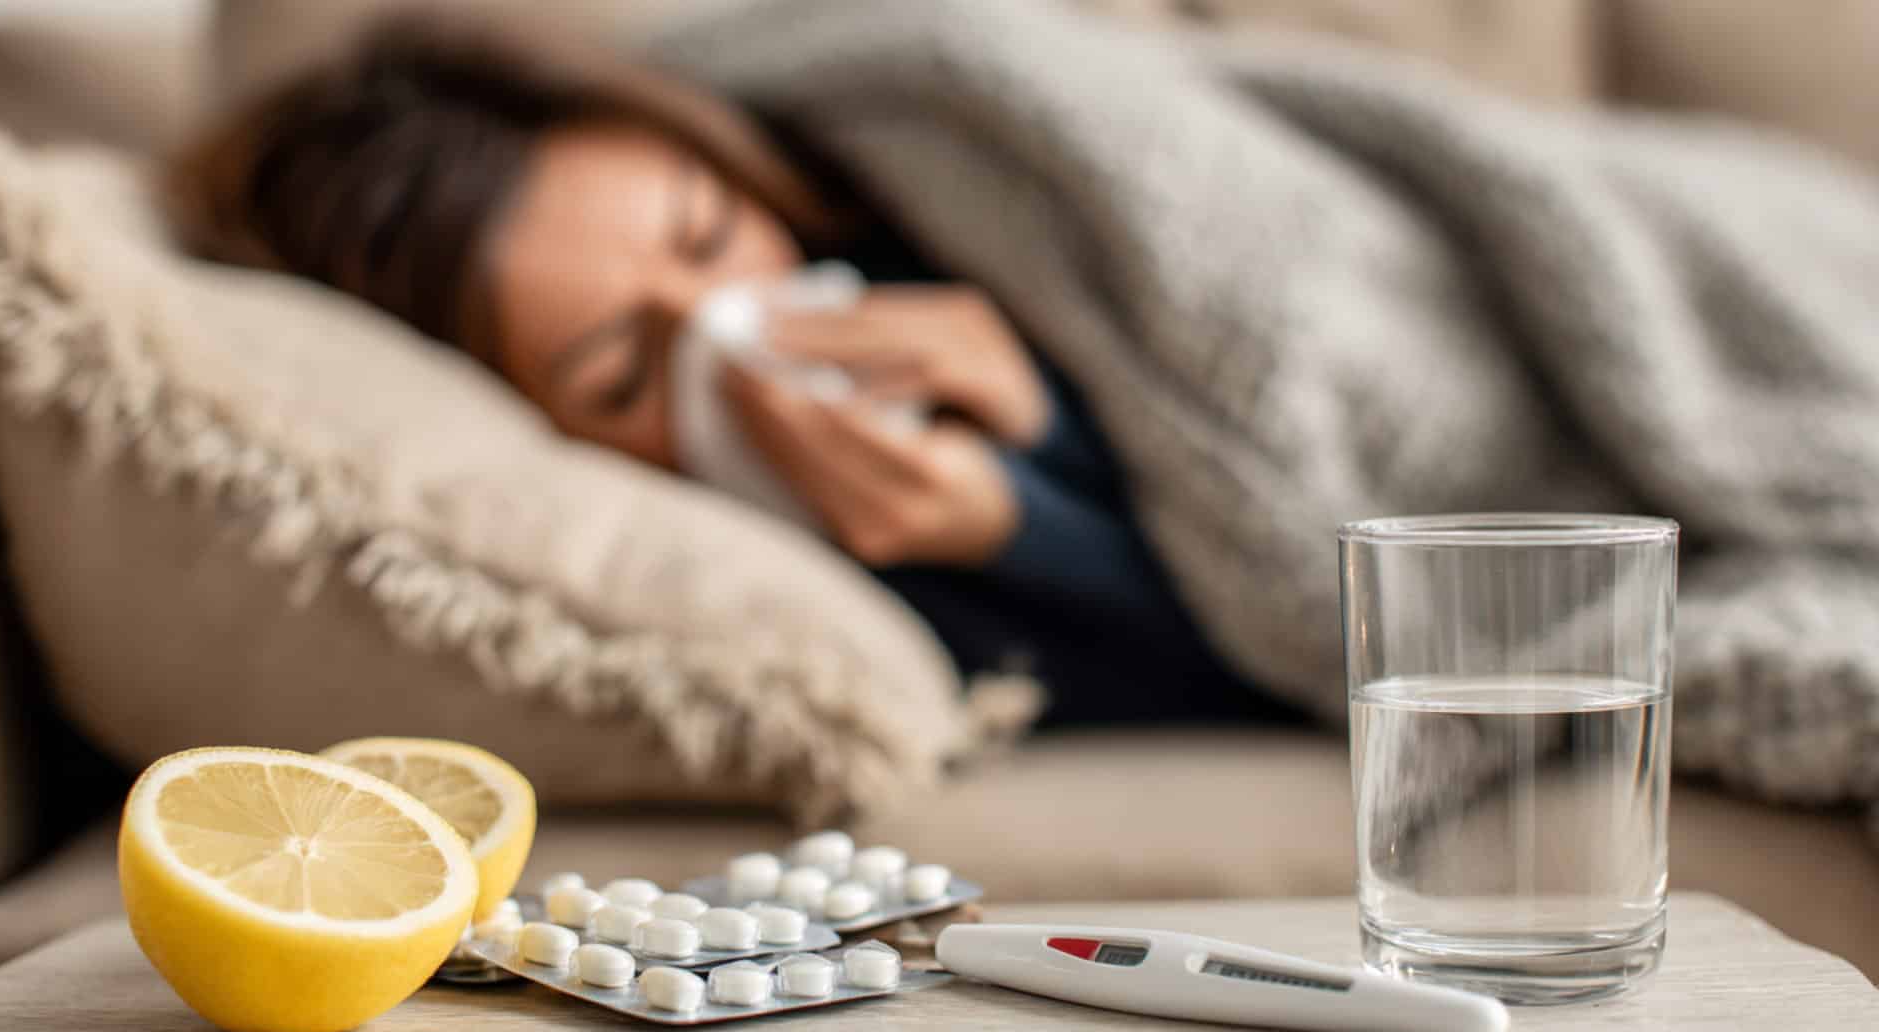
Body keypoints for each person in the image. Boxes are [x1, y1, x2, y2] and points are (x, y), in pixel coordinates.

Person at [173, 18, 1264, 725]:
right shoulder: (737, 598)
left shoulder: (933, 203)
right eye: (619, 377)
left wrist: (1045, 417)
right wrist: (1010, 523)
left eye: (705, 235)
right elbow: (1247, 685)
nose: (726, 325)